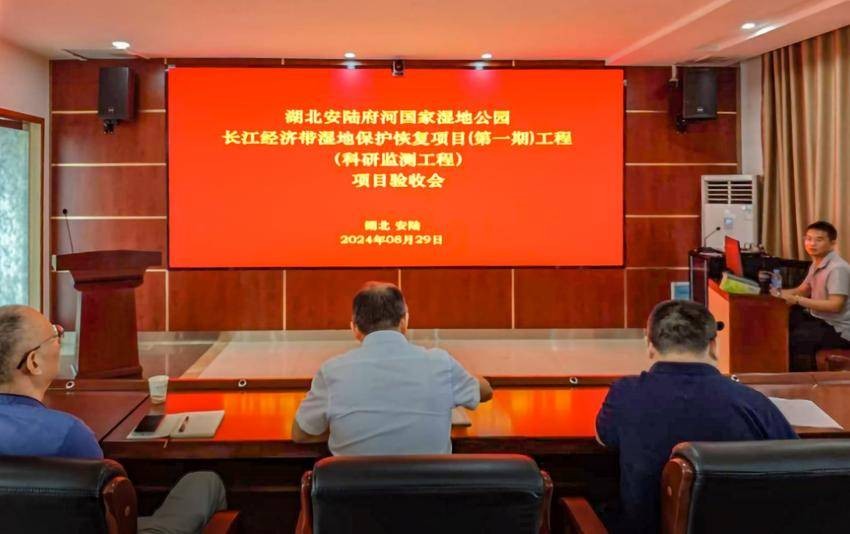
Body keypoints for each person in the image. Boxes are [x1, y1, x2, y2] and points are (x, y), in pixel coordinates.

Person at [0, 304, 227, 534]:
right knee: (204, 482)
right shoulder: (67, 434)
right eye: (55, 334)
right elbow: (105, 509)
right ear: (34, 362)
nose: (60, 337)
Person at [596, 300, 796, 534]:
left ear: (649, 345)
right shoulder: (751, 402)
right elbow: (795, 461)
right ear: (713, 347)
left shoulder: (625, 393)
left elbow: (603, 438)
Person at [292, 281, 492, 454]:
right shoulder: (440, 363)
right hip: (427, 488)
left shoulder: (332, 372)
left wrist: (343, 428)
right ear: (404, 322)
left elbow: (300, 434)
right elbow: (485, 392)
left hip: (356, 488)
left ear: (354, 328)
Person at [776, 221, 850, 371]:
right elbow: (803, 290)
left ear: (832, 243)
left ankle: (801, 378)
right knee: (781, 324)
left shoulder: (838, 269)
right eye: (808, 239)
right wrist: (774, 294)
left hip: (839, 328)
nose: (812, 244)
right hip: (820, 318)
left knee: (794, 338)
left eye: (819, 239)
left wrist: (797, 300)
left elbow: (835, 305)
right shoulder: (817, 262)